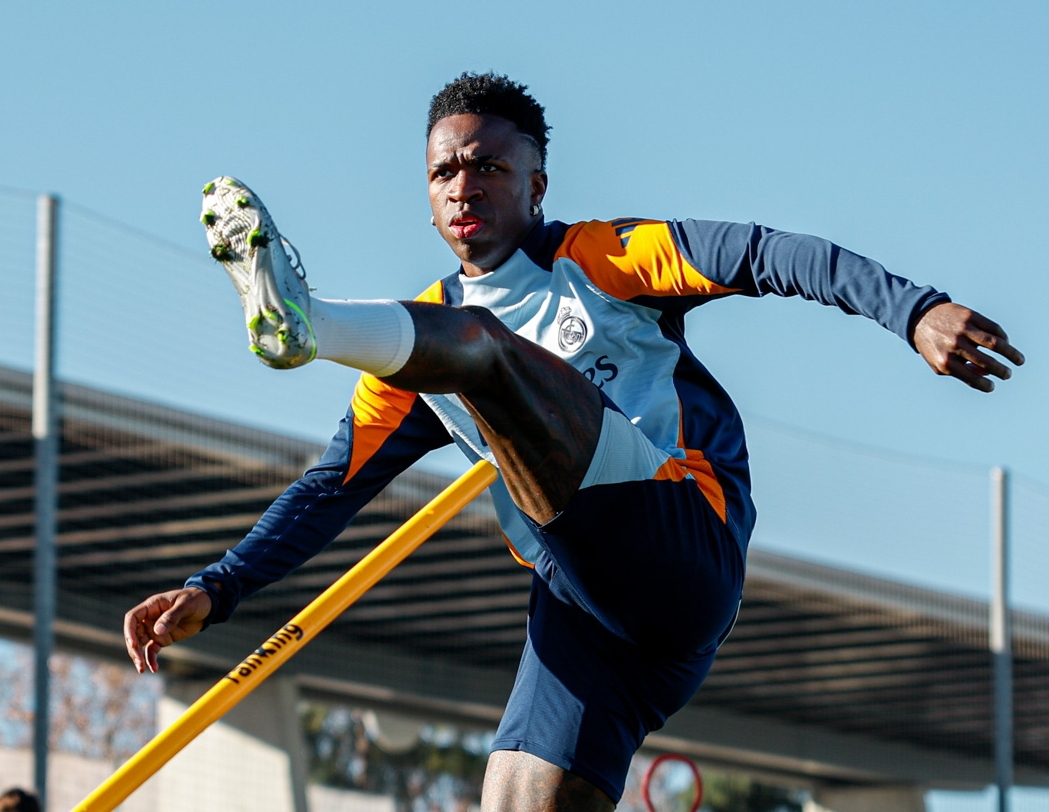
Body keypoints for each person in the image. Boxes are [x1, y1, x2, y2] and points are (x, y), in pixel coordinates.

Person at [125, 72, 1024, 810]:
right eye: (443, 173)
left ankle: (305, 320)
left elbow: (771, 254)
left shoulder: (606, 259)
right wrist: (218, 587)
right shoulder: (411, 347)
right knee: (517, 801)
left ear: (535, 184)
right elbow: (329, 488)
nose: (463, 186)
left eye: (486, 167)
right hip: (586, 610)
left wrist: (913, 311)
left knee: (480, 350)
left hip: (683, 540)